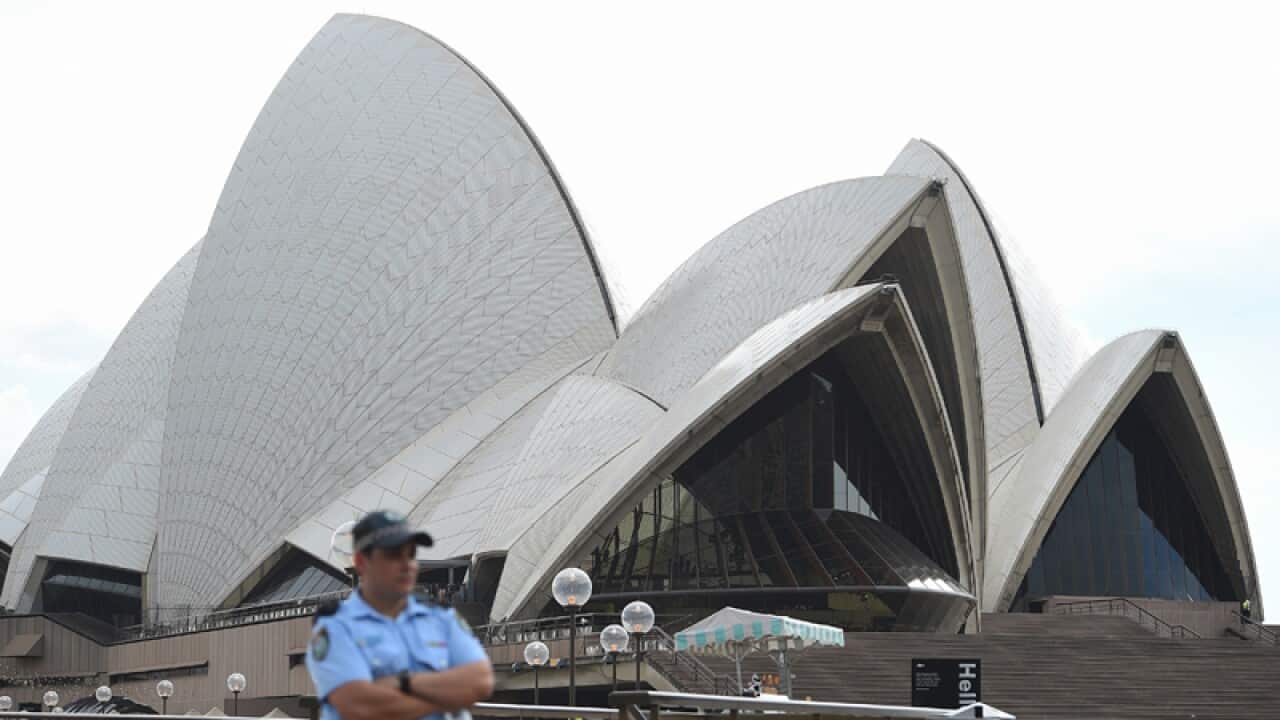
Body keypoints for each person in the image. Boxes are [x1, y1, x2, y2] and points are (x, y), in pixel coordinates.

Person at [306, 510, 495, 720]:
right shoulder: (336, 627)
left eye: (411, 554)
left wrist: (403, 683)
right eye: (393, 555)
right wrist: (449, 695)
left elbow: (481, 681)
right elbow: (358, 706)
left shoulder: (441, 619)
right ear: (361, 562)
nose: (407, 565)